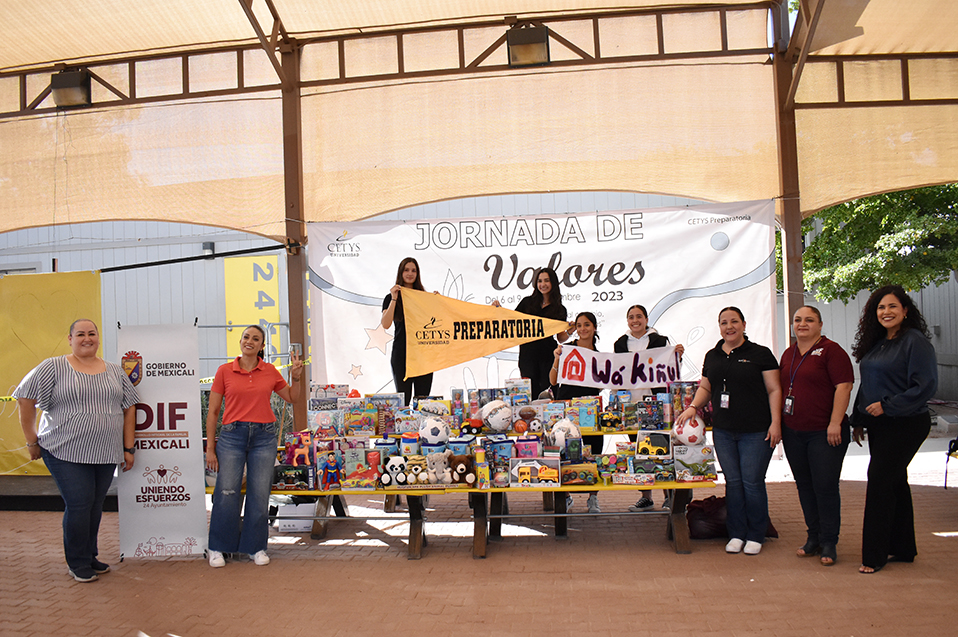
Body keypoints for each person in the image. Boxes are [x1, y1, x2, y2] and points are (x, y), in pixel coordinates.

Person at [14, 319, 139, 583]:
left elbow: (130, 408)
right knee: (80, 503)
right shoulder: (54, 367)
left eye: (91, 333)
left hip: (105, 452)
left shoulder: (115, 371)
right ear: (70, 339)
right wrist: (32, 440)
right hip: (63, 451)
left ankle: (90, 555)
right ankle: (77, 562)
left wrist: (128, 448)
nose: (87, 338)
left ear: (98, 338)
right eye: (80, 334)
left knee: (94, 506)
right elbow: (25, 397)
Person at [675, 306, 782, 556]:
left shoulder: (760, 353)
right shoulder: (712, 355)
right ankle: (736, 533)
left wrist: (775, 422)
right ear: (719, 326)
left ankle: (756, 534)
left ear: (744, 324)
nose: (729, 326)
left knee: (752, 483)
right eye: (724, 322)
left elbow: (774, 390)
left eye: (734, 321)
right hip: (724, 431)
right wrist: (692, 408)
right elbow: (706, 387)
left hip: (756, 431)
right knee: (733, 483)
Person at [850, 285, 937, 574]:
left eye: (892, 307)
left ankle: (873, 556)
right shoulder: (879, 343)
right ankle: (903, 548)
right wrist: (859, 419)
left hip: (907, 422)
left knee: (879, 480)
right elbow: (868, 384)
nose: (886, 312)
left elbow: (925, 387)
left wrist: (888, 405)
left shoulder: (915, 341)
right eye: (880, 308)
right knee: (895, 482)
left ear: (905, 310)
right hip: (879, 423)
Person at [205, 325, 302, 568]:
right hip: (231, 436)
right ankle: (217, 547)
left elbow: (292, 397)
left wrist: (296, 378)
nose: (250, 341)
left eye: (255, 339)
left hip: (264, 437)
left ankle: (256, 547)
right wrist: (210, 448)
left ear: (261, 346)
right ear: (240, 341)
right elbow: (214, 411)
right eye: (246, 337)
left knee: (259, 495)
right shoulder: (225, 371)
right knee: (226, 493)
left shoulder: (269, 371)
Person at [779, 306, 854, 566]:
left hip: (825, 432)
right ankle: (813, 537)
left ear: (820, 324)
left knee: (825, 487)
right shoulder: (789, 353)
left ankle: (829, 541)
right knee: (805, 486)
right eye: (798, 320)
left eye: (809, 320)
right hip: (794, 432)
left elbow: (843, 387)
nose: (802, 324)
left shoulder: (832, 351)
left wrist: (835, 423)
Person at [613, 304, 685, 512]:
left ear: (646, 319)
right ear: (627, 321)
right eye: (631, 317)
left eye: (639, 317)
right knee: (639, 451)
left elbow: (670, 368)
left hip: (656, 404)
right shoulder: (620, 343)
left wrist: (676, 355)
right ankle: (646, 497)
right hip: (631, 406)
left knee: (661, 450)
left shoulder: (660, 341)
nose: (635, 320)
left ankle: (668, 495)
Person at [549, 311, 602, 513]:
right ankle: (566, 497)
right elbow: (553, 381)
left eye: (587, 325)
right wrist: (556, 358)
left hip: (591, 409)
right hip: (568, 406)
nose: (582, 329)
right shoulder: (567, 350)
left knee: (593, 451)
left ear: (594, 328)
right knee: (565, 450)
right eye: (579, 325)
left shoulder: (600, 355)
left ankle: (593, 498)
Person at [495, 267, 568, 398]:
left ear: (553, 283)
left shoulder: (559, 309)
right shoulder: (527, 302)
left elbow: (560, 338)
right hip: (527, 354)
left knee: (548, 392)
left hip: (547, 356)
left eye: (546, 280)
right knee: (528, 392)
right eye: (540, 281)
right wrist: (499, 310)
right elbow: (512, 320)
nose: (543, 284)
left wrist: (570, 332)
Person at [382, 257, 433, 405]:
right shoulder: (391, 297)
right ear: (400, 272)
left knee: (422, 401)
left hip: (423, 354)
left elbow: (443, 318)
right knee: (403, 400)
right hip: (401, 354)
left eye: (414, 270)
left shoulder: (425, 298)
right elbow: (385, 324)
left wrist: (438, 301)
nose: (410, 273)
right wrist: (394, 299)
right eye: (406, 270)